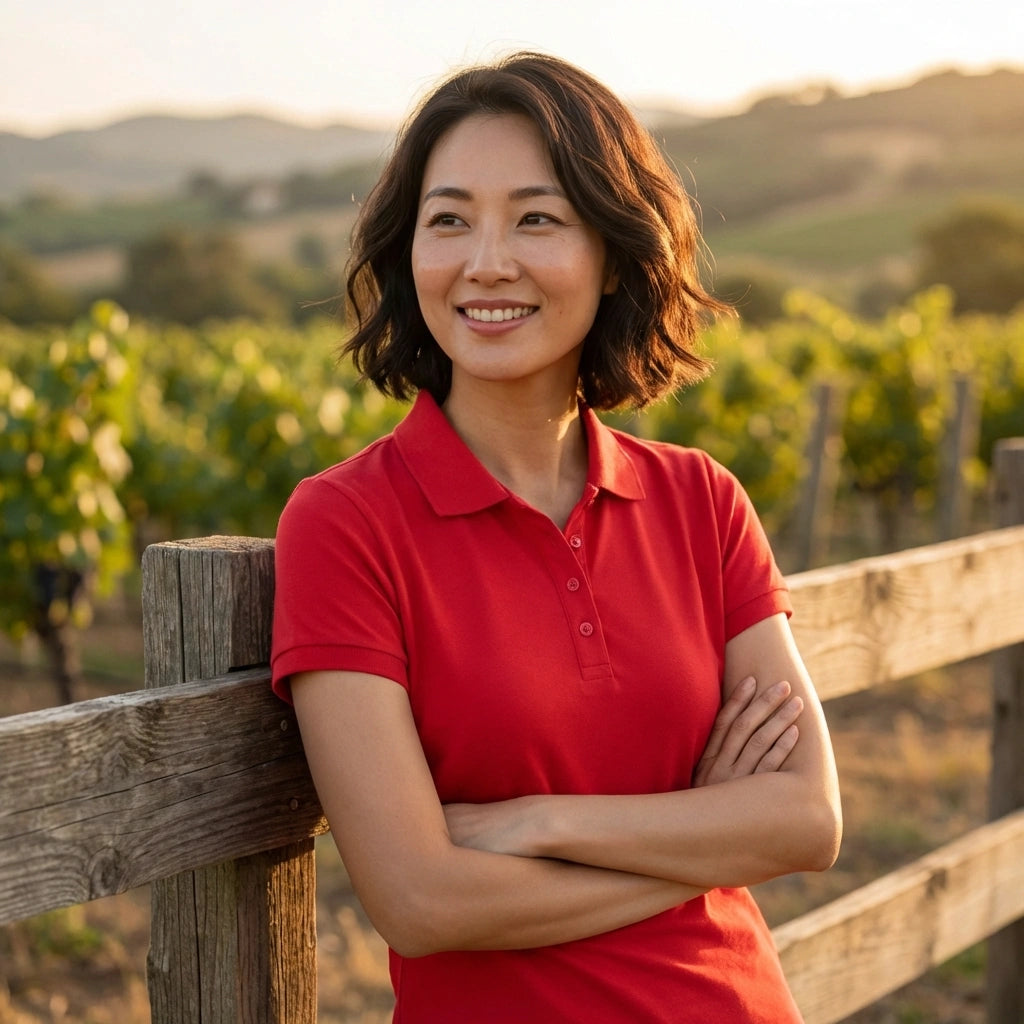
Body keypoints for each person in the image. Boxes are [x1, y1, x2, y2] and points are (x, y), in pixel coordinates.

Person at [271, 51, 842, 1023]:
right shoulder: (346, 522)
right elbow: (420, 901)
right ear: (409, 253)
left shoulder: (700, 500)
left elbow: (805, 819)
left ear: (614, 253)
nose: (487, 261)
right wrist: (702, 838)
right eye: (449, 220)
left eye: (537, 219)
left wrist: (539, 822)